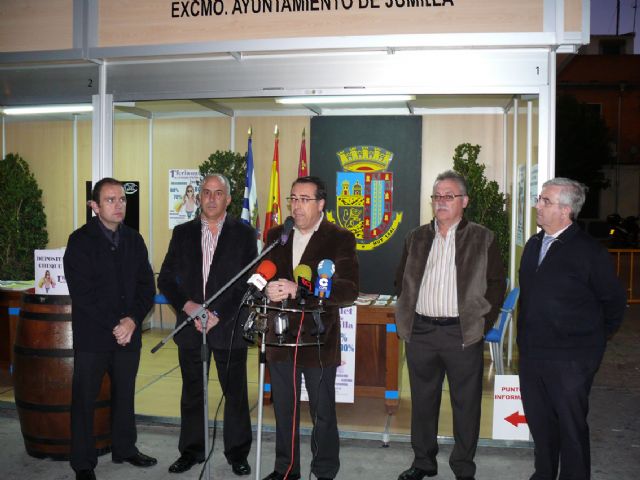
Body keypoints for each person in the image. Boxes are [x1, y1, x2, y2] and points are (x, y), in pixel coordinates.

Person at [395, 170, 506, 480]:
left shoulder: (482, 237)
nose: (441, 201)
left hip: (462, 333)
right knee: (422, 402)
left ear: (464, 201)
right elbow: (400, 279)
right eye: (437, 196)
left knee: (466, 404)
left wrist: (482, 322)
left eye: (449, 196)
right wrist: (409, 315)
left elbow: (497, 283)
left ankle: (463, 467)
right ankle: (423, 462)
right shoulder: (416, 237)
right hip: (421, 333)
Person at [518, 177, 626, 480]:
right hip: (533, 355)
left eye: (545, 201)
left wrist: (590, 346)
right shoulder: (534, 244)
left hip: (572, 359)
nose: (538, 205)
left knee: (571, 428)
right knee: (540, 424)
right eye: (539, 199)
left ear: (566, 210)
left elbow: (614, 302)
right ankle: (544, 474)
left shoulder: (589, 252)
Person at [158, 174, 258, 476]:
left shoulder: (244, 234)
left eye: (218, 193)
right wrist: (188, 307)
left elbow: (249, 281)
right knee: (192, 393)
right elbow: (166, 279)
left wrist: (217, 313)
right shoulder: (182, 233)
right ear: (199, 197)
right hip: (191, 328)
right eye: (206, 192)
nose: (212, 198)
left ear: (228, 199)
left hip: (228, 327)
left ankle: (237, 454)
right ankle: (191, 451)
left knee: (235, 394)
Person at [261, 176, 359, 480]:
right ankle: (286, 469)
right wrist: (266, 289)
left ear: (321, 204)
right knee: (283, 411)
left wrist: (301, 289)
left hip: (317, 339)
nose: (297, 205)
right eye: (293, 198)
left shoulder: (339, 238)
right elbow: (262, 274)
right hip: (280, 337)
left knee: (323, 412)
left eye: (304, 199)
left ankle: (325, 470)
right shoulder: (278, 235)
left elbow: (348, 289)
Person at [63, 178, 157, 480]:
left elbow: (146, 286)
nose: (119, 205)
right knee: (84, 399)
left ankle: (125, 448)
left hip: (129, 334)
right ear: (94, 206)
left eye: (122, 200)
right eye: (110, 200)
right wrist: (116, 324)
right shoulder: (80, 241)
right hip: (93, 336)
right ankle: (83, 462)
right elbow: (83, 293)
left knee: (125, 395)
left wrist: (132, 320)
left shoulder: (134, 239)